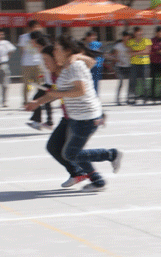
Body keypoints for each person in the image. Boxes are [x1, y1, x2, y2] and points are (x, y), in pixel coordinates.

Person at [26, 35, 122, 192]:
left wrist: (78, 57)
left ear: (66, 51)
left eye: (57, 49)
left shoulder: (74, 66)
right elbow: (56, 93)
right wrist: (37, 102)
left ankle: (110, 155)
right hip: (76, 117)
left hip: (87, 117)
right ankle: (96, 180)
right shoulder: (65, 68)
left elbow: (80, 90)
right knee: (68, 152)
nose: (54, 52)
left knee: (70, 154)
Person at [27, 33, 54, 130]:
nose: (37, 48)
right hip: (49, 82)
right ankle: (48, 122)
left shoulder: (47, 55)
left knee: (37, 98)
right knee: (46, 101)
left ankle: (37, 121)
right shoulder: (42, 55)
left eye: (38, 46)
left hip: (52, 83)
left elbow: (50, 69)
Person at [19, 20, 44, 106]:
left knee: (39, 84)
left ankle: (38, 101)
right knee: (26, 84)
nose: (37, 28)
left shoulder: (40, 36)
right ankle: (25, 101)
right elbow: (22, 51)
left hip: (38, 63)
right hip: (27, 64)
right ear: (30, 28)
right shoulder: (23, 37)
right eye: (35, 27)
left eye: (38, 26)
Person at [127, 27, 151, 105]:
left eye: (140, 31)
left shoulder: (146, 40)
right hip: (134, 63)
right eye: (137, 32)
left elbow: (147, 51)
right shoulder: (131, 41)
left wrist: (136, 52)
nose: (139, 33)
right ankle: (132, 98)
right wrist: (141, 51)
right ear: (134, 33)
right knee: (133, 82)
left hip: (145, 63)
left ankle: (146, 98)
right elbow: (130, 53)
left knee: (145, 81)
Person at [0, 29, 16, 108]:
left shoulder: (5, 43)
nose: (0, 36)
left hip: (4, 65)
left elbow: (12, 49)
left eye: (1, 34)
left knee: (5, 84)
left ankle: (4, 101)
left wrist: (8, 56)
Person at [111, 30, 132, 105]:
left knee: (129, 83)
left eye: (128, 37)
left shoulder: (131, 45)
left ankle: (128, 98)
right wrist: (119, 60)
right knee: (121, 83)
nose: (126, 38)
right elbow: (114, 56)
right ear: (123, 37)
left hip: (129, 66)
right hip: (120, 66)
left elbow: (133, 53)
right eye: (125, 37)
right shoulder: (118, 46)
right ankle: (118, 99)